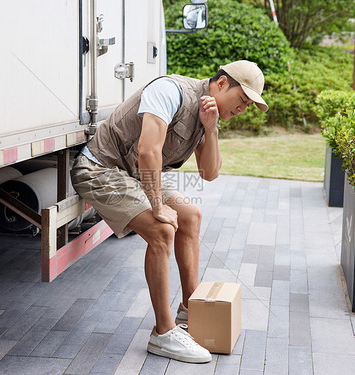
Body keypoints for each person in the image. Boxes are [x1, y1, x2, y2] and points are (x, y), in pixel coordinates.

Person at [71, 60, 268, 363]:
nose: (242, 109)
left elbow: (210, 173)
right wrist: (157, 206)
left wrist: (211, 129)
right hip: (101, 169)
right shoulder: (170, 90)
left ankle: (192, 310)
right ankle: (163, 334)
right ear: (222, 83)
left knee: (191, 216)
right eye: (242, 100)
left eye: (248, 106)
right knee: (162, 229)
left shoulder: (207, 113)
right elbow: (148, 151)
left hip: (134, 176)